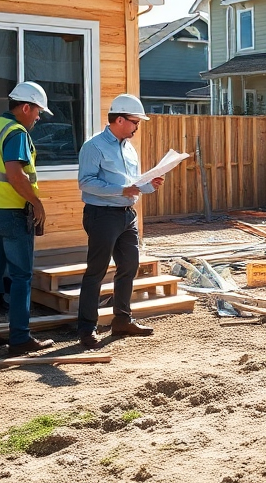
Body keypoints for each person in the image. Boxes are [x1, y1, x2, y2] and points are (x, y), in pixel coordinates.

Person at [0, 81, 54, 356]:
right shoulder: (16, 132)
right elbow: (14, 173)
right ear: (25, 107)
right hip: (12, 214)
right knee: (21, 276)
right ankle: (19, 338)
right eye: (37, 111)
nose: (38, 117)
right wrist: (37, 203)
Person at [76, 94, 164, 349]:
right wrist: (122, 190)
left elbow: (133, 185)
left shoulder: (129, 148)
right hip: (102, 215)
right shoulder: (93, 147)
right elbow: (86, 182)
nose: (138, 127)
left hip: (127, 215)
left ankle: (122, 321)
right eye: (135, 122)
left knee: (129, 265)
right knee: (96, 270)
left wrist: (150, 185)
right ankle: (86, 329)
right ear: (121, 119)